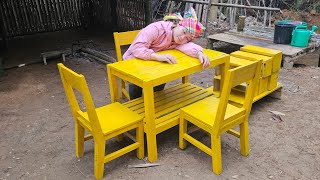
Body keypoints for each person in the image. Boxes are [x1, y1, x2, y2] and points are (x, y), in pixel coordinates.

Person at [123, 7, 210, 100]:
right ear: (177, 24)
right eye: (184, 31)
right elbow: (137, 48)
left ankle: (155, 101)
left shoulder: (178, 41)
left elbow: (188, 46)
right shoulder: (156, 29)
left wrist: (199, 53)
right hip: (133, 60)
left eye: (187, 38)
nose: (182, 37)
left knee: (162, 77)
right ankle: (135, 103)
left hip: (154, 63)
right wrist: (158, 57)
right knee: (136, 84)